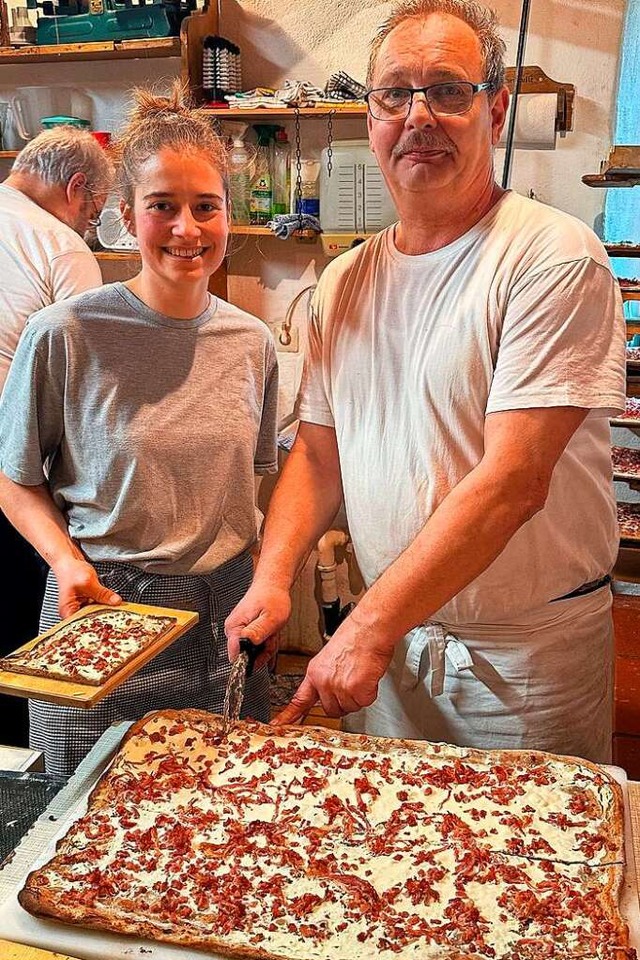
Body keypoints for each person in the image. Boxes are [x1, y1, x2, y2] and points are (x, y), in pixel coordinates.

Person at [225, 0, 626, 763]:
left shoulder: (551, 259)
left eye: (447, 90)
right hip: (392, 649)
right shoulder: (343, 281)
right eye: (394, 94)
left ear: (495, 109)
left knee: (524, 872)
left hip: (521, 663)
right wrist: (275, 577)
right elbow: (317, 453)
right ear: (369, 114)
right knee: (382, 866)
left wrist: (368, 626)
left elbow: (512, 481)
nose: (419, 116)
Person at [0, 84, 278, 775]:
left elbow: (251, 487)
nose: (187, 229)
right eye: (163, 207)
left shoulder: (252, 342)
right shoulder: (66, 333)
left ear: (227, 215)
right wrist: (67, 562)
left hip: (225, 622)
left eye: (204, 207)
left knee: (219, 826)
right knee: (81, 831)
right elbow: (14, 482)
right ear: (127, 216)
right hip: (105, 610)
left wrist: (266, 583)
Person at [0, 127, 113, 746]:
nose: (90, 224)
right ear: (77, 190)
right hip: (13, 466)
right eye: (93, 211)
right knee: (24, 635)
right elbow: (94, 382)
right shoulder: (59, 243)